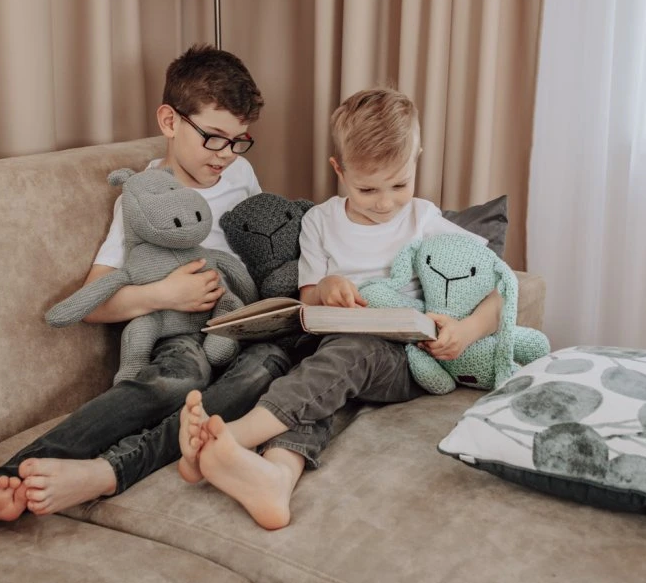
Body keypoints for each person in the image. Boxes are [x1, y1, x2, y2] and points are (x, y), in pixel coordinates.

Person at [0, 44, 290, 526]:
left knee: (267, 370)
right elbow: (96, 301)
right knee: (181, 380)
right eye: (214, 138)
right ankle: (4, 479)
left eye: (239, 141)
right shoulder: (141, 196)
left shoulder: (241, 173)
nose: (226, 155)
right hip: (176, 330)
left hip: (240, 325)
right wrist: (163, 295)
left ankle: (108, 471)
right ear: (170, 121)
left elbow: (264, 240)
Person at [177, 87, 503, 530]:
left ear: (417, 160)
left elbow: (499, 287)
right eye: (367, 188)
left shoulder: (424, 219)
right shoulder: (320, 221)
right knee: (315, 383)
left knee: (347, 355)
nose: (385, 202)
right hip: (334, 346)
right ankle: (276, 478)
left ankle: (229, 436)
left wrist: (467, 331)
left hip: (409, 359)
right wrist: (327, 287)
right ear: (339, 170)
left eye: (400, 184)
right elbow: (309, 298)